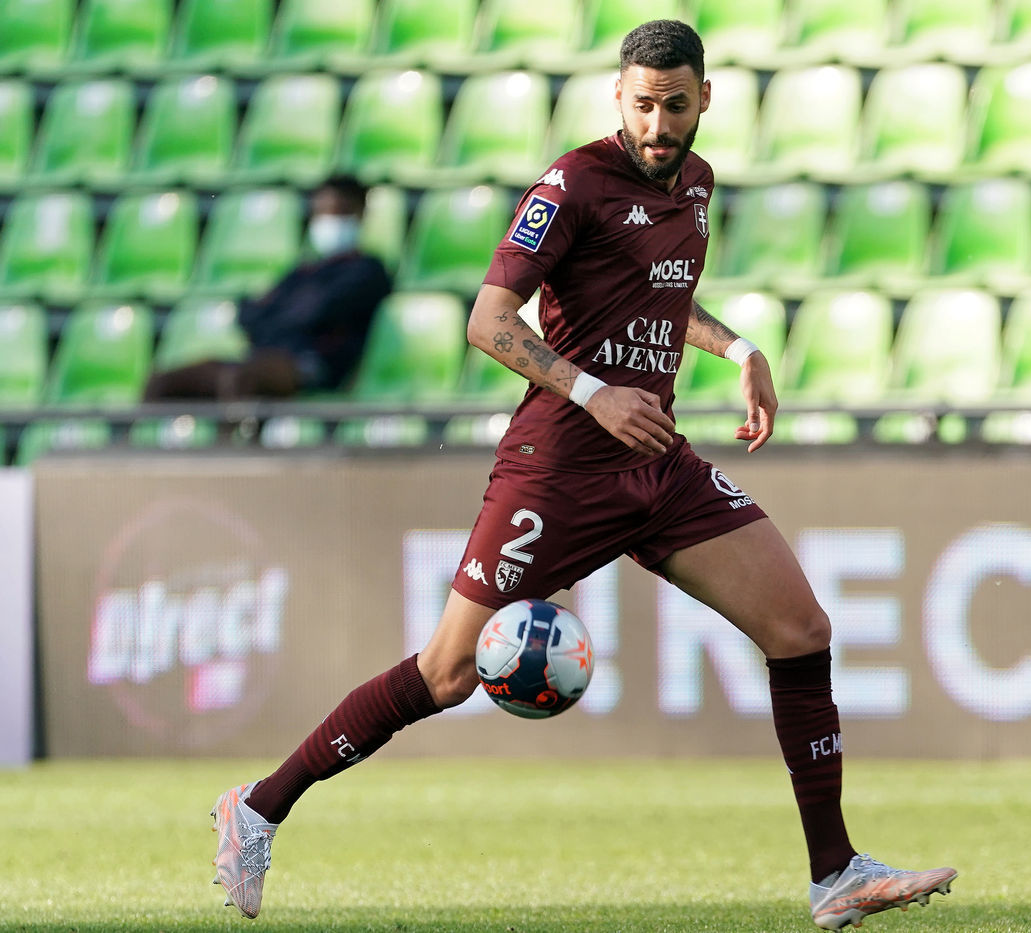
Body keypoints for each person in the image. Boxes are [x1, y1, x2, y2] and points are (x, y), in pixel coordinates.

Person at [209, 21, 956, 930]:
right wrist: (594, 393)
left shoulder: (697, 183)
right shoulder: (572, 182)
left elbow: (660, 296)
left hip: (656, 461)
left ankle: (834, 873)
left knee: (801, 629)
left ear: (705, 99)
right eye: (642, 105)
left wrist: (739, 348)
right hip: (558, 466)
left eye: (674, 106)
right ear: (619, 96)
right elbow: (489, 321)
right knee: (447, 673)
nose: (657, 125)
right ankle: (259, 807)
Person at [144, 176, 391, 401]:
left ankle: (234, 438)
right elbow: (251, 314)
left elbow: (312, 313)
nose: (328, 220)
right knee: (163, 382)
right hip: (263, 357)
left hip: (311, 365)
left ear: (360, 214)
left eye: (338, 211)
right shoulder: (303, 272)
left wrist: (277, 315)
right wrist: (282, 314)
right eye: (321, 212)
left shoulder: (367, 271)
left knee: (241, 380)